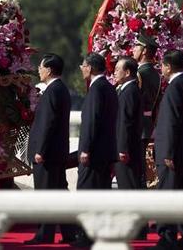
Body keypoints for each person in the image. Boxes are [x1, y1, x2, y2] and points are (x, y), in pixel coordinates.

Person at [24, 53, 76, 245]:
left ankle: (44, 234)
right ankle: (70, 232)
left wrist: (41, 151)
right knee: (59, 191)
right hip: (55, 153)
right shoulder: (59, 89)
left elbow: (48, 123)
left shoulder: (54, 90)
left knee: (46, 193)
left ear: (49, 70)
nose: (38, 70)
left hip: (47, 154)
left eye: (41, 67)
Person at [151, 50, 183, 250]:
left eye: (162, 65)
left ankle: (167, 237)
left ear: (168, 67)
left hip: (171, 154)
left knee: (167, 194)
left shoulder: (173, 89)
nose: (161, 69)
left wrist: (168, 152)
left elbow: (171, 123)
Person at [72, 52, 118, 247]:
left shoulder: (96, 89)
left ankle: (86, 236)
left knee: (87, 194)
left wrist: (85, 149)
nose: (82, 69)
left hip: (93, 154)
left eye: (83, 66)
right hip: (105, 152)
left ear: (90, 68)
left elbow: (91, 122)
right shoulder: (109, 88)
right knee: (101, 193)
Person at [132, 34, 161, 189]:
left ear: (143, 51)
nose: (133, 49)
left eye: (136, 46)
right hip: (148, 125)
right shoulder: (156, 74)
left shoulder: (139, 74)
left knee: (138, 173)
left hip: (138, 126)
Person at [113, 56, 143, 190]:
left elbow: (126, 122)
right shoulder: (126, 90)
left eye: (117, 69)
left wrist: (122, 149)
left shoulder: (129, 92)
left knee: (128, 187)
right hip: (125, 149)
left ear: (127, 72)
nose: (114, 72)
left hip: (126, 151)